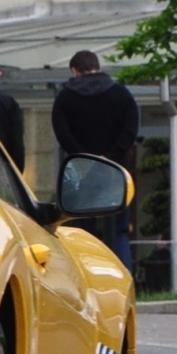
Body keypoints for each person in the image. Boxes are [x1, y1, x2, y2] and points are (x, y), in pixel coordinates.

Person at [51, 49, 140, 266]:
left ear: (74, 70)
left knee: (82, 229)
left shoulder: (65, 98)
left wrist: (83, 156)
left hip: (80, 170)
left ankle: (86, 274)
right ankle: (122, 274)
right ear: (98, 67)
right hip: (116, 170)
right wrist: (111, 154)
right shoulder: (121, 94)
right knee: (119, 229)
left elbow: (62, 133)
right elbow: (130, 128)